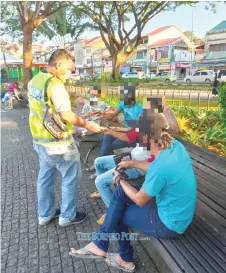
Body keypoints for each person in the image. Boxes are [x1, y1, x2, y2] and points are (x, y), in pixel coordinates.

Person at [69, 111, 197, 272]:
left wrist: (119, 179)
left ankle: (125, 259)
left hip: (171, 223)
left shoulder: (161, 167)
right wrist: (133, 163)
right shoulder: (174, 146)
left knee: (117, 213)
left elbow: (140, 199)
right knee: (119, 196)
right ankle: (99, 245)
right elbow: (156, 169)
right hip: (176, 208)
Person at [28, 49, 104, 227]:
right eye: (68, 68)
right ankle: (67, 216)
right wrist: (87, 125)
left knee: (45, 177)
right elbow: (67, 115)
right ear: (59, 64)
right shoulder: (55, 85)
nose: (69, 72)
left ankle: (45, 215)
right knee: (70, 176)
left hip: (39, 140)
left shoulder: (35, 81)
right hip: (58, 142)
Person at [89, 96, 180, 225]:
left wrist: (166, 106)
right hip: (131, 158)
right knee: (99, 162)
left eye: (147, 108)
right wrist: (109, 131)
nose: (143, 111)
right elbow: (128, 135)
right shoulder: (145, 123)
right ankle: (104, 191)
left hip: (139, 167)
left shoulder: (160, 129)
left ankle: (112, 211)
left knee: (100, 180)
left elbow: (175, 129)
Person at [86, 83, 143, 172]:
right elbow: (113, 115)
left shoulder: (139, 109)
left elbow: (134, 129)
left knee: (112, 144)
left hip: (134, 134)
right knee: (107, 136)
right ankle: (101, 165)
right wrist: (103, 114)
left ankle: (102, 166)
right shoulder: (123, 103)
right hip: (125, 130)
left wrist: (118, 129)